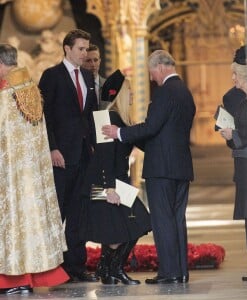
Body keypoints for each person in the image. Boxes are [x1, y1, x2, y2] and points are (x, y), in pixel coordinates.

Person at [102, 50, 196, 284]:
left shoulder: (165, 92)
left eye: (152, 72)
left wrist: (120, 132)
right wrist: (133, 137)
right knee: (176, 219)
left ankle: (169, 273)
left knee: (163, 220)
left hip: (161, 170)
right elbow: (164, 134)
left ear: (161, 67)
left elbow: (151, 127)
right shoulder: (184, 92)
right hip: (181, 166)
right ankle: (181, 271)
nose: (152, 77)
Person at [0, 43, 69, 295]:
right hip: (31, 174)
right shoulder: (30, 89)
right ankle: (28, 276)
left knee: (13, 225)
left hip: (9, 175)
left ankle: (14, 278)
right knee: (27, 222)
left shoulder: (7, 96)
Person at [81, 69, 151, 285]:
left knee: (135, 223)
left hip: (120, 182)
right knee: (132, 225)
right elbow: (103, 158)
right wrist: (109, 188)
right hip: (106, 183)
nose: (132, 96)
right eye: (129, 91)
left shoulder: (121, 119)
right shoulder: (107, 117)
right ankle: (114, 269)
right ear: (120, 93)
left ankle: (107, 269)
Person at [38, 29, 98, 282]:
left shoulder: (87, 75)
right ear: (67, 48)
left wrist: (96, 146)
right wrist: (52, 148)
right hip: (60, 155)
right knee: (58, 211)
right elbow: (43, 117)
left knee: (79, 212)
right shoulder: (51, 76)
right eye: (81, 49)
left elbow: (91, 114)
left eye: (86, 49)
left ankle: (76, 267)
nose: (85, 54)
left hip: (84, 154)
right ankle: (52, 269)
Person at [219, 45, 247, 281]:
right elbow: (236, 136)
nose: (232, 79)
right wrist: (230, 138)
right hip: (243, 164)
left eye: (236, 74)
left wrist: (236, 136)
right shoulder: (232, 98)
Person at [82, 44, 107, 109]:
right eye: (88, 61)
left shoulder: (109, 85)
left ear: (100, 61)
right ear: (81, 62)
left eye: (95, 60)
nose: (93, 64)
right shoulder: (76, 86)